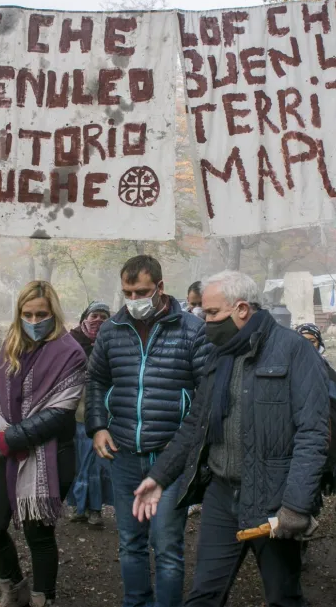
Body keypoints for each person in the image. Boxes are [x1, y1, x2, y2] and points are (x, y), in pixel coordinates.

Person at [131, 271, 335, 607]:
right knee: (204, 595)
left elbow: (313, 434)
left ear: (241, 309)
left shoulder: (294, 351)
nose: (205, 320)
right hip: (221, 495)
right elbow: (196, 424)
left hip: (274, 497)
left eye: (212, 313)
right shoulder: (219, 354)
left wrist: (296, 506)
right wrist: (159, 476)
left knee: (284, 596)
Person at [85, 255, 210, 607]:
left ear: (160, 287)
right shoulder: (111, 329)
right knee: (130, 542)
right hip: (123, 452)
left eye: (142, 291)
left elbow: (205, 395)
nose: (134, 298)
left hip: (171, 457)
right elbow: (95, 379)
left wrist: (183, 449)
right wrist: (96, 426)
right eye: (128, 291)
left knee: (168, 546)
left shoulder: (191, 329)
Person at [0, 281, 85, 607]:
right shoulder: (11, 345)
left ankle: (43, 599)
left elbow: (60, 410)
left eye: (42, 314)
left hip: (52, 454)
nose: (35, 320)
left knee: (38, 533)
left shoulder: (71, 353)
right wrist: (2, 434)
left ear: (53, 313)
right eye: (27, 314)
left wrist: (14, 437)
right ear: (18, 314)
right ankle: (14, 587)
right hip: (5, 449)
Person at [67, 301, 113, 527]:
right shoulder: (69, 343)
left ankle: (95, 509)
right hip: (75, 414)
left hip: (103, 417)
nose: (98, 321)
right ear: (84, 318)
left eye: (104, 317)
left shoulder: (112, 343)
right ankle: (78, 506)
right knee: (78, 462)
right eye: (94, 315)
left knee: (97, 464)